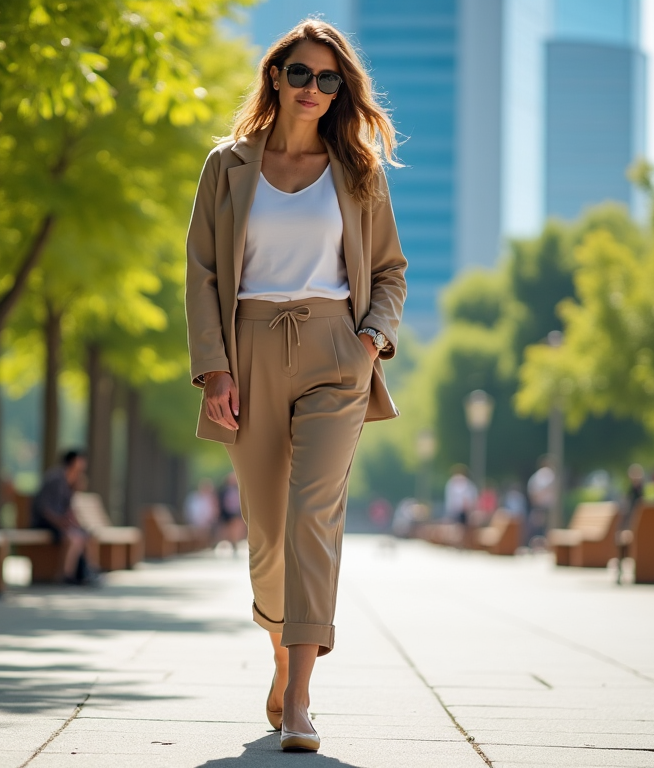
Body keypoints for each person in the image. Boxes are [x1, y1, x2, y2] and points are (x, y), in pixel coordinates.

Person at [185, 19, 406, 752]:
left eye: (330, 79)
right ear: (275, 76)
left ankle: (303, 698)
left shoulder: (359, 171)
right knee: (268, 531)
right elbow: (204, 276)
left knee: (313, 514)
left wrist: (370, 339)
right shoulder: (227, 166)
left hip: (335, 353)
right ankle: (281, 652)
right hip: (248, 349)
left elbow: (388, 271)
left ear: (341, 89)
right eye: (303, 74)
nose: (315, 89)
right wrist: (215, 368)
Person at [31, 449, 96, 585]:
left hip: (58, 523)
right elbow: (44, 509)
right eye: (80, 460)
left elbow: (68, 508)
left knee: (84, 534)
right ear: (72, 462)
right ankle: (66, 575)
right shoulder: (55, 478)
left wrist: (75, 524)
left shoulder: (71, 480)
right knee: (73, 537)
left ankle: (87, 572)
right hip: (44, 522)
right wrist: (61, 523)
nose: (83, 464)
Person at [527, 456, 556, 544]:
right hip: (546, 505)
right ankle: (543, 543)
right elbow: (548, 488)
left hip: (538, 504)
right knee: (544, 526)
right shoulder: (547, 473)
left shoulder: (537, 474)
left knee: (537, 525)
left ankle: (536, 543)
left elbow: (531, 488)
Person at [216, 472, 246, 553]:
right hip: (226, 513)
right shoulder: (223, 490)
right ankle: (227, 543)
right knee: (226, 530)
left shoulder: (239, 489)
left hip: (236, 513)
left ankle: (235, 543)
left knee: (236, 529)